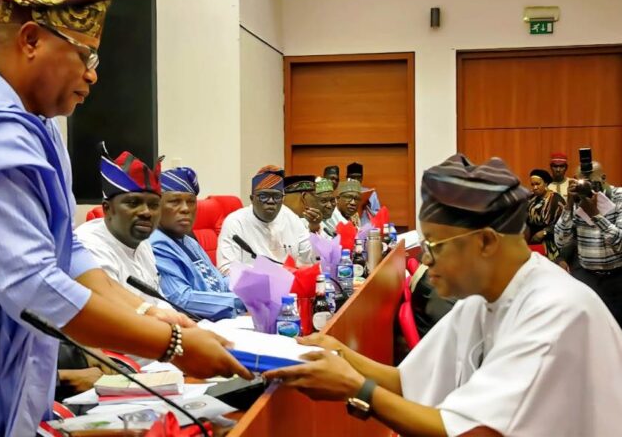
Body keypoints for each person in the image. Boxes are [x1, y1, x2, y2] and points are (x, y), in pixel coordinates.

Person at [0, 0, 250, 434]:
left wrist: (148, 313)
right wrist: (173, 344)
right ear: (32, 40)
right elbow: (34, 285)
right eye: (85, 55)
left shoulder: (33, 125)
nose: (93, 74)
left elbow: (65, 253)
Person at [264, 154, 622, 437]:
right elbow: (409, 382)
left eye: (434, 247)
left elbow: (470, 432)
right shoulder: (484, 297)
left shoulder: (556, 312)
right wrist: (340, 352)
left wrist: (354, 387)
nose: (427, 261)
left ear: (485, 242)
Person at [75, 145, 174, 309]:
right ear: (108, 209)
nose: (146, 212)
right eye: (133, 203)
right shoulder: (88, 247)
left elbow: (159, 303)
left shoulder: (143, 244)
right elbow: (115, 316)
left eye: (154, 205)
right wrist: (179, 333)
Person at [150, 167, 243, 320]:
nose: (186, 209)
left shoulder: (188, 241)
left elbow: (218, 282)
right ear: (156, 207)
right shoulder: (156, 244)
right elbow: (181, 299)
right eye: (175, 202)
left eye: (191, 202)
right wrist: (240, 302)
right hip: (195, 327)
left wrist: (248, 285)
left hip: (223, 319)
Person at [555, 161, 622, 328]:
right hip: (587, 276)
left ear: (604, 178)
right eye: (580, 182)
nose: (585, 187)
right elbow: (560, 241)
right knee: (589, 329)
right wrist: (569, 206)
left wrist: (595, 214)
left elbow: (620, 243)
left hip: (617, 277)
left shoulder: (620, 196)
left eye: (590, 181)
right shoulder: (576, 199)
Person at [217, 165, 315, 273]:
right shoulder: (235, 222)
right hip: (251, 286)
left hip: (290, 285)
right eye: (263, 196)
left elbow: (310, 259)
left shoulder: (290, 218)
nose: (271, 201)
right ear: (252, 199)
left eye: (277, 197)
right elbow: (226, 269)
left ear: (283, 199)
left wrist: (315, 228)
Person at [525, 168, 565, 263]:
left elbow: (563, 223)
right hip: (532, 241)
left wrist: (544, 232)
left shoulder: (556, 199)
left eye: (538, 184)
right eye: (533, 184)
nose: (535, 187)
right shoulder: (531, 198)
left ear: (546, 183)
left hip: (550, 242)